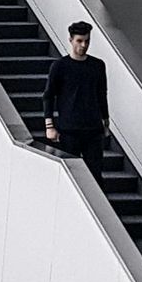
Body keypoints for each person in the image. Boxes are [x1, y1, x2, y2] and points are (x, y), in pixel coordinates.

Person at [43, 20, 109, 183]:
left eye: (87, 41)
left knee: (95, 174)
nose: (83, 45)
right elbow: (48, 95)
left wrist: (106, 122)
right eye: (79, 41)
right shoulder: (60, 66)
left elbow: (102, 94)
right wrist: (49, 125)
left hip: (93, 128)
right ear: (71, 40)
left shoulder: (97, 65)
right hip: (69, 129)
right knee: (70, 175)